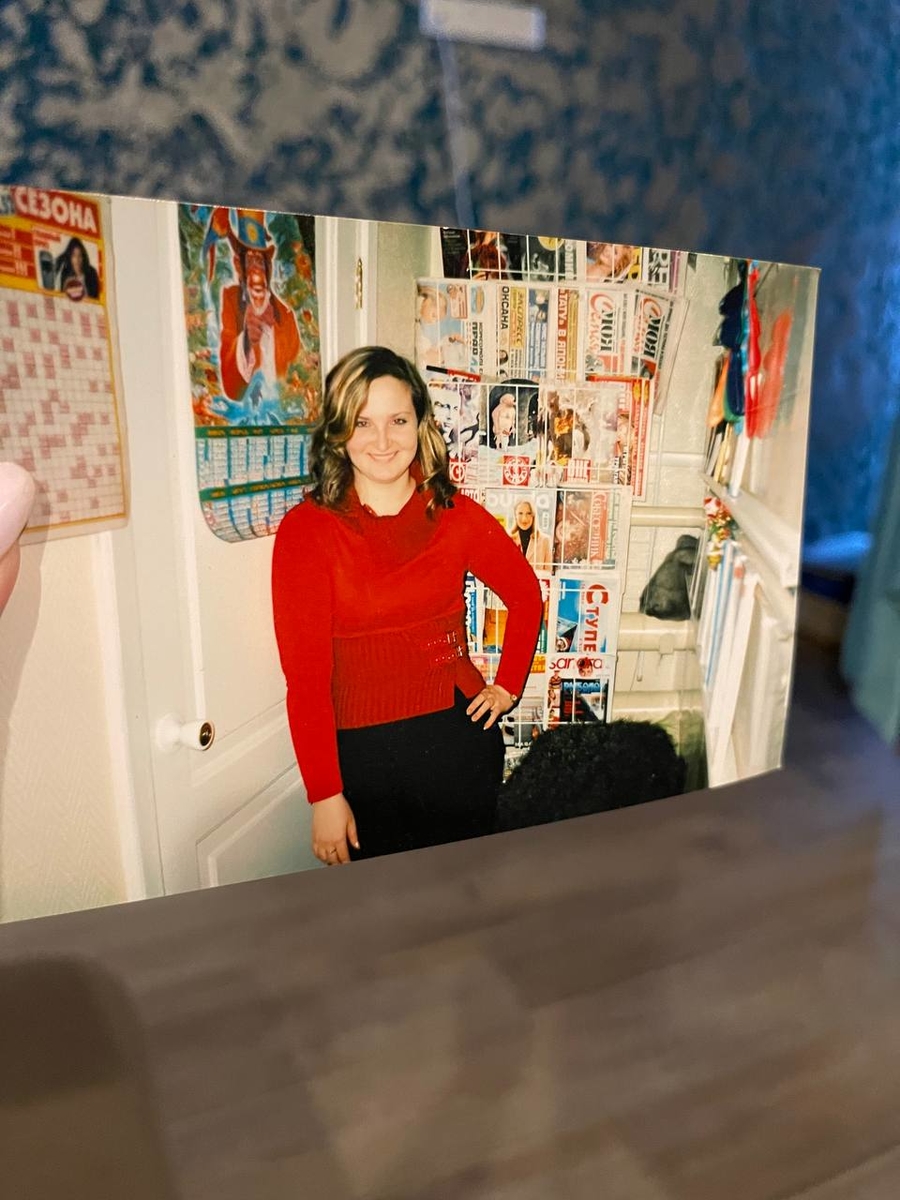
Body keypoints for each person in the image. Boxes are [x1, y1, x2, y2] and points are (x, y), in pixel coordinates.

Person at [272, 346, 543, 865]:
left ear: (420, 423)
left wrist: (507, 685)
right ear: (339, 430)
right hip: (362, 762)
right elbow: (305, 681)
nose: (382, 441)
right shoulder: (307, 532)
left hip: (457, 743)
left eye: (397, 420)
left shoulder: (453, 514)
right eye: (363, 422)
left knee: (465, 895)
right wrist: (324, 794)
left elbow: (525, 594)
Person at [217, 210, 301, 402]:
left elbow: (298, 371)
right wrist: (247, 340)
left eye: (260, 262)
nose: (257, 270)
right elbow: (230, 386)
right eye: (250, 261)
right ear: (239, 267)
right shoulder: (230, 300)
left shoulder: (286, 316)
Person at [508, 500, 552, 571]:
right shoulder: (508, 539)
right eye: (520, 513)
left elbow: (548, 572)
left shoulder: (544, 540)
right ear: (515, 516)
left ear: (533, 516)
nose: (524, 518)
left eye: (528, 513)